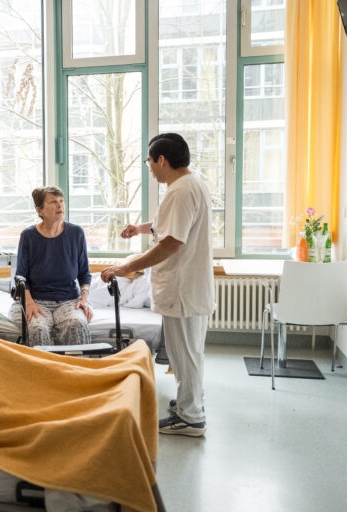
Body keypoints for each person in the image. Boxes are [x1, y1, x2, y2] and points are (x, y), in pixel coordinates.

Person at [101, 133, 214, 437]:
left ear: (161, 160)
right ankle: (192, 405)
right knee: (190, 354)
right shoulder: (192, 183)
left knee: (185, 356)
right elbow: (170, 225)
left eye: (150, 162)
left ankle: (190, 418)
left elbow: (172, 242)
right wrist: (140, 228)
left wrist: (128, 266)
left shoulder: (179, 191)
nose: (149, 168)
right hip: (190, 287)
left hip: (182, 289)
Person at [10, 186, 93, 346]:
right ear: (40, 210)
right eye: (53, 202)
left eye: (61, 201)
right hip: (36, 300)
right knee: (38, 328)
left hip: (68, 300)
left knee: (77, 325)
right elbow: (21, 276)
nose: (59, 205)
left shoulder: (76, 233)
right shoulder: (28, 236)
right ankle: (44, 371)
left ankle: (76, 370)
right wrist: (29, 302)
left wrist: (83, 299)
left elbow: (84, 273)